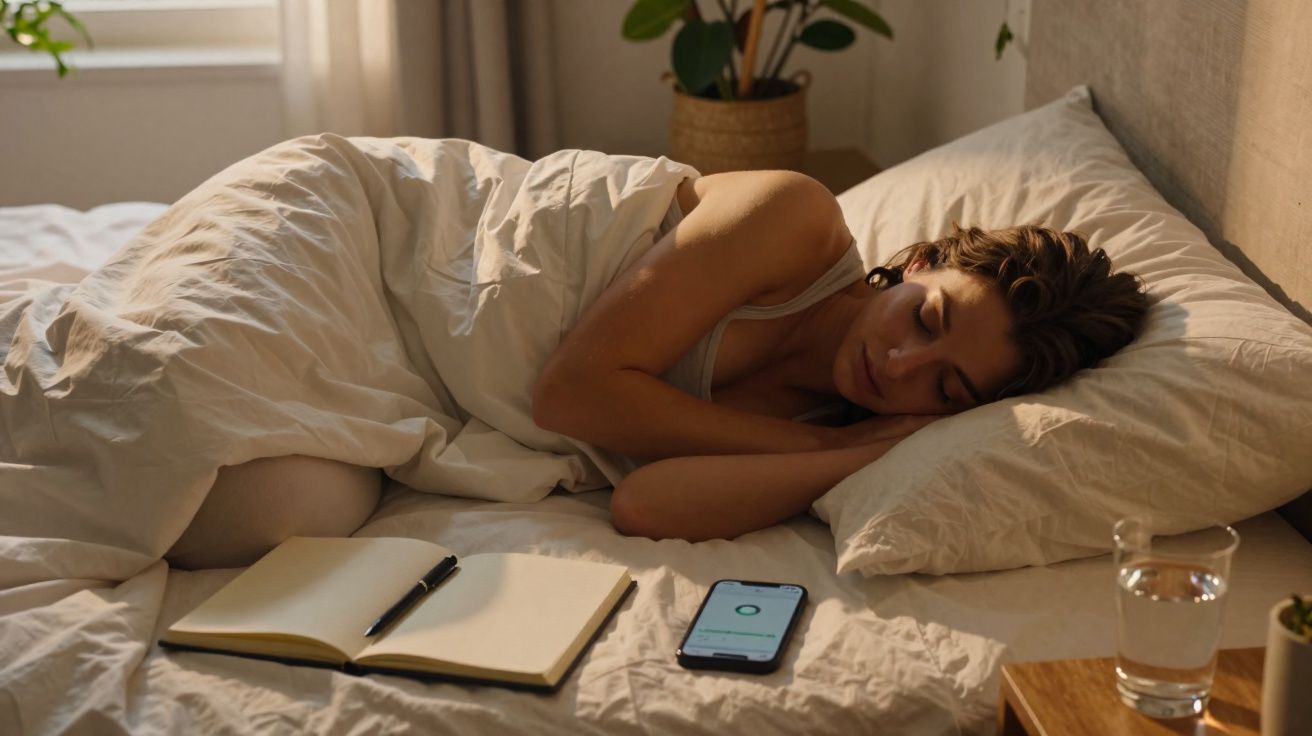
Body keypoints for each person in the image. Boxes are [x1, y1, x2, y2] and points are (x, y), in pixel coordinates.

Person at [165, 169, 1147, 569]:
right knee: (162, 416)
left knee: (267, 522)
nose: (900, 363)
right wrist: (808, 441)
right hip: (365, 240)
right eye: (924, 318)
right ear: (921, 261)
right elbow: (572, 394)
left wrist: (852, 454)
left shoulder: (846, 431)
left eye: (945, 387)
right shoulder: (795, 222)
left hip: (413, 381)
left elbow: (645, 506)